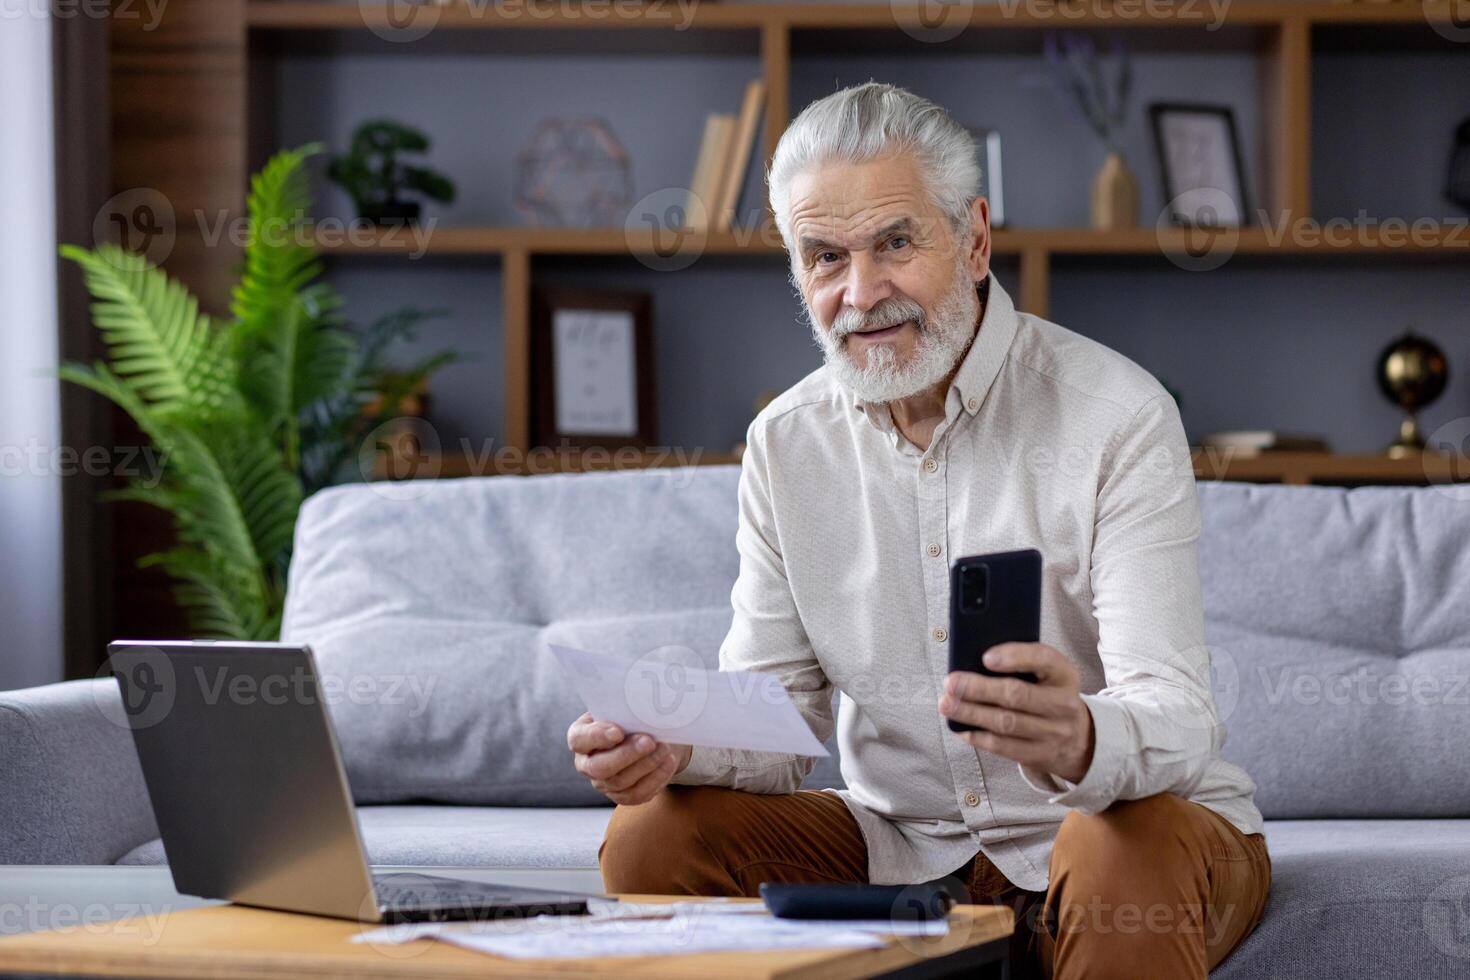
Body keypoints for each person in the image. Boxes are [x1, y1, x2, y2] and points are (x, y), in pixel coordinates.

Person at [567, 82, 1270, 979]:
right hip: (904, 847)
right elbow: (777, 716)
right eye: (824, 257)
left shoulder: (1115, 414)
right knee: (653, 835)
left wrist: (1078, 738)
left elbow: (1178, 714)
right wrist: (673, 743)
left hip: (1127, 831)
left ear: (975, 239)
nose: (862, 293)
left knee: (1111, 849)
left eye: (895, 242)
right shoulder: (786, 443)